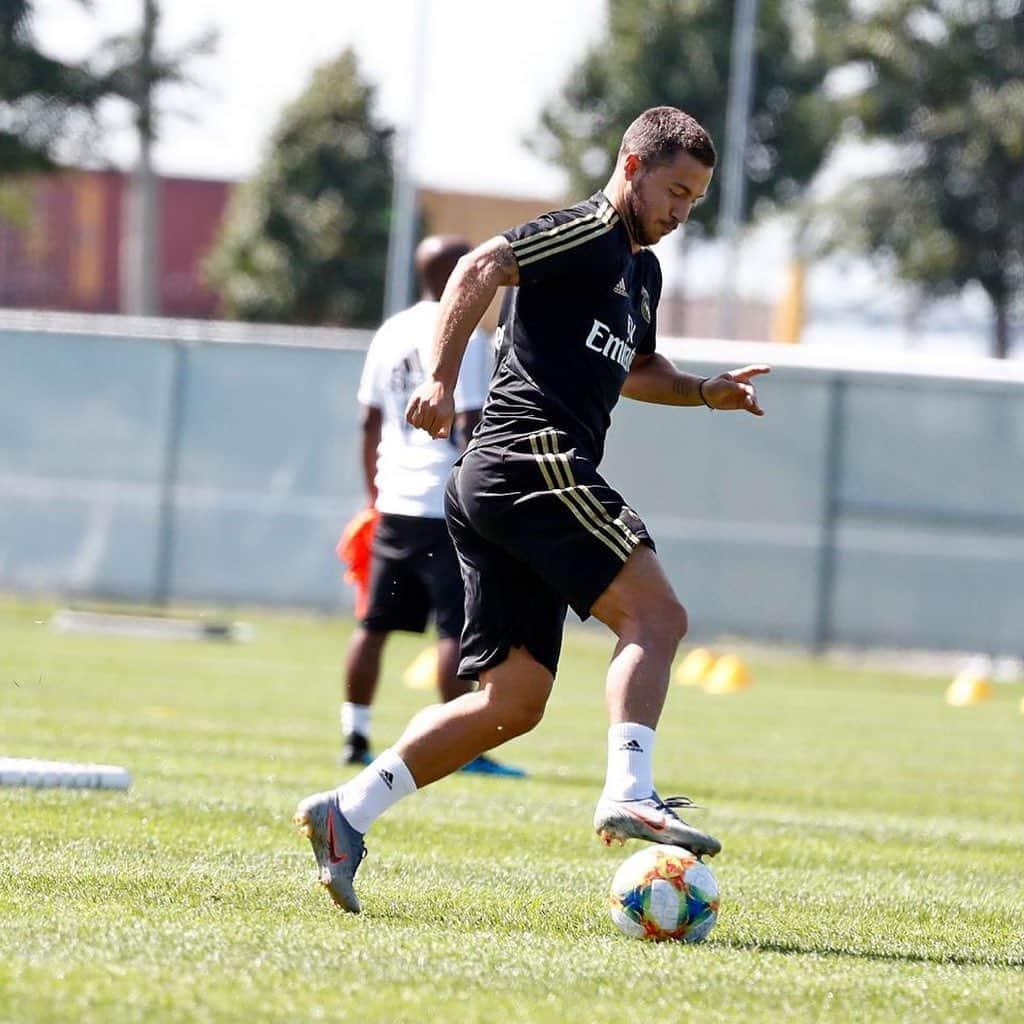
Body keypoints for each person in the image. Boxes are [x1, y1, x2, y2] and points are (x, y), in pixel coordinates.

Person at [295, 106, 770, 913]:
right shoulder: (586, 230)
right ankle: (630, 787)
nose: (681, 213)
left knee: (511, 704)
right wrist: (442, 379)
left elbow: (636, 365)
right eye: (674, 191)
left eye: (694, 200)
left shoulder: (639, 272)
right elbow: (480, 266)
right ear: (630, 165)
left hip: (503, 481)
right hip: (528, 457)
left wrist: (701, 392)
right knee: (657, 617)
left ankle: (346, 813)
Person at [338, 233, 525, 777]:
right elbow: (468, 426)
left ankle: (355, 733)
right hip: (444, 503)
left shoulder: (389, 332)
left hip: (395, 500)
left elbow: (369, 420)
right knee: (455, 630)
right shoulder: (462, 331)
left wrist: (375, 494)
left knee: (373, 626)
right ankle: (458, 749)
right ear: (457, 271)